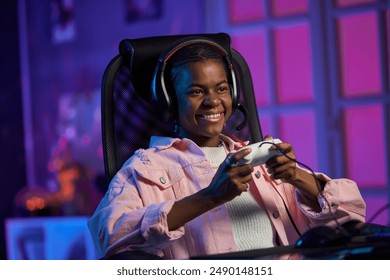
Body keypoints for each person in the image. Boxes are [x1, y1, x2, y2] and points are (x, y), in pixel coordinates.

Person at [88, 39, 366, 260]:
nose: (213, 101)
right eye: (196, 92)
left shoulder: (260, 157)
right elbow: (109, 237)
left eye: (221, 89)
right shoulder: (144, 168)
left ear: (232, 95)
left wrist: (295, 176)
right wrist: (211, 196)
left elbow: (353, 215)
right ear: (171, 103)